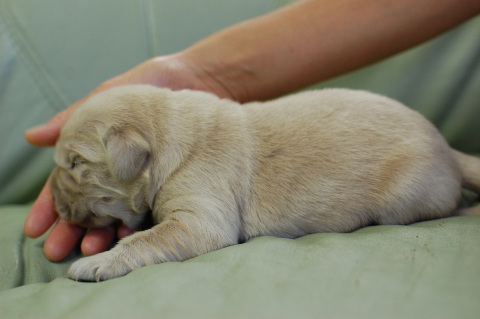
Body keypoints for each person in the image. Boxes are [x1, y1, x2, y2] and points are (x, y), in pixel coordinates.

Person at [23, 0, 480, 262]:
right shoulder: (188, 135)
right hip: (397, 134)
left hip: (410, 166)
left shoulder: (199, 155)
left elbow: (206, 230)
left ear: (131, 152)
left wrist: (126, 254)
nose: (68, 187)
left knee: (405, 194)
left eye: (77, 166)